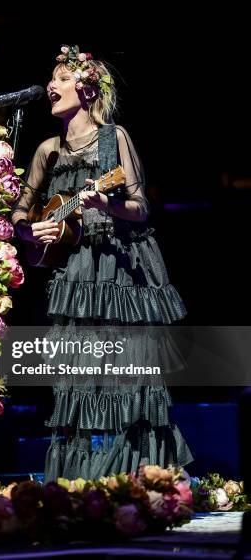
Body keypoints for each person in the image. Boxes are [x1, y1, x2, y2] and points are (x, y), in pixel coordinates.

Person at [11, 45, 193, 482]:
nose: (51, 86)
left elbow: (140, 208)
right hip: (74, 271)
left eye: (60, 78)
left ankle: (137, 474)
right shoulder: (47, 150)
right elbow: (19, 211)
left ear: (87, 88)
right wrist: (28, 230)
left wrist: (106, 204)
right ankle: (84, 478)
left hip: (118, 267)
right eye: (51, 78)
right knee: (81, 376)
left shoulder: (115, 138)